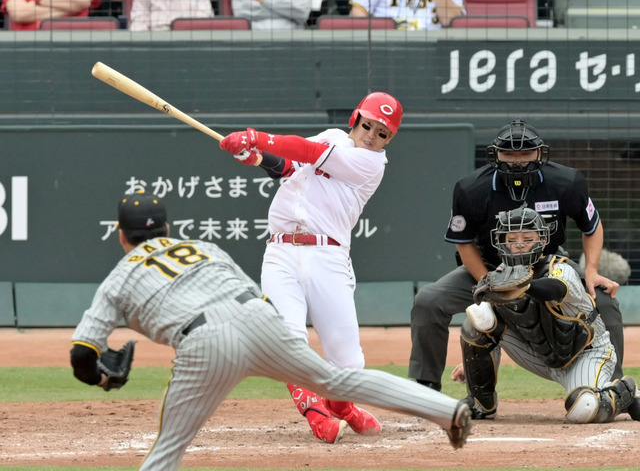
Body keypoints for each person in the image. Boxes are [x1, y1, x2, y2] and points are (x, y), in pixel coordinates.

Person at [69, 192, 472, 470]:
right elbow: (248, 291)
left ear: (121, 235)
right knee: (338, 380)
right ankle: (447, 411)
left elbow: (82, 355)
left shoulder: (118, 279)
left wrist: (101, 377)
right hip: (259, 318)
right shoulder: (203, 248)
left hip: (203, 342)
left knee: (168, 449)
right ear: (168, 229)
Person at [218, 92, 405, 443]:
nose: (372, 136)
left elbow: (307, 153)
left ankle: (343, 406)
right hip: (281, 252)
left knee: (349, 364)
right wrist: (258, 157)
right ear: (356, 119)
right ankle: (314, 408)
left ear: (388, 139)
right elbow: (291, 167)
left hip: (328, 257)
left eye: (382, 133)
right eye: (368, 125)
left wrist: (256, 138)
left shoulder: (372, 164)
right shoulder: (332, 136)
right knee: (287, 338)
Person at [410, 119, 626, 393]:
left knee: (604, 300)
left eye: (524, 154)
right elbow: (463, 243)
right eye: (509, 154)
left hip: (548, 266)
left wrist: (592, 271)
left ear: (539, 153)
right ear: (495, 155)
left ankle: (613, 384)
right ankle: (426, 387)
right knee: (428, 301)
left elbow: (592, 227)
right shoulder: (471, 188)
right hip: (489, 267)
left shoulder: (566, 182)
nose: (517, 161)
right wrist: (489, 284)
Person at [453, 206, 640, 423]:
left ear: (542, 240)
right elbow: (490, 328)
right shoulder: (501, 275)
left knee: (584, 408)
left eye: (527, 237)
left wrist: (524, 287)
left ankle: (624, 392)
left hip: (585, 353)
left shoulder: (561, 268)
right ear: (502, 243)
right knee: (478, 317)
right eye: (512, 239)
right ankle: (480, 404)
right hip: (543, 357)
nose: (519, 243)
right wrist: (472, 363)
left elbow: (555, 289)